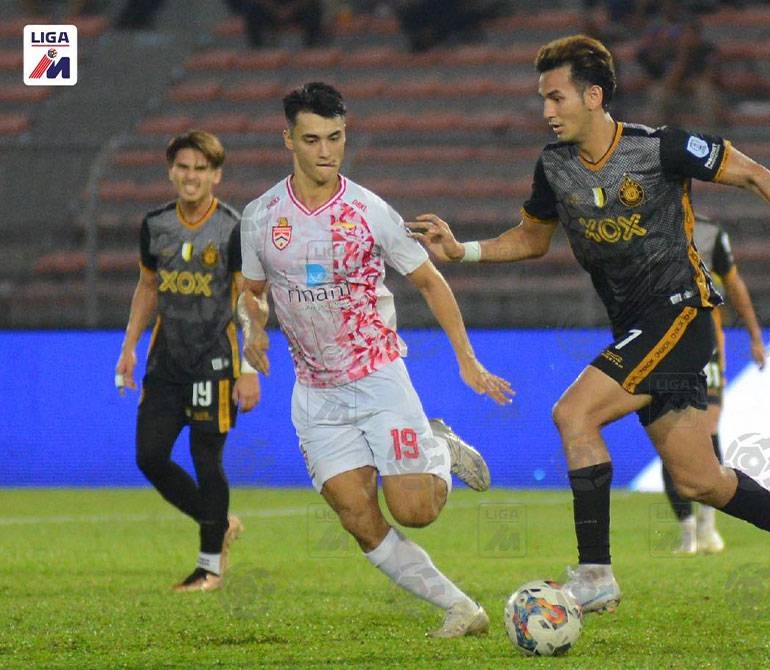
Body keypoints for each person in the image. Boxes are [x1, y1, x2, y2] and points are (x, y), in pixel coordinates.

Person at [408, 34, 770, 614]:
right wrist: (462, 252)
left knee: (573, 414)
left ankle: (595, 573)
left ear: (594, 95)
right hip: (637, 328)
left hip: (682, 312)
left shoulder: (660, 149)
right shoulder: (554, 167)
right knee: (700, 479)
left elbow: (755, 175)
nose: (546, 112)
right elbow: (531, 238)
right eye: (542, 100)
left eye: (556, 98)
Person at [237, 82, 514, 638]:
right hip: (315, 391)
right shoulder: (261, 217)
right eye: (312, 139)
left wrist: (466, 359)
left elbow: (429, 281)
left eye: (335, 138)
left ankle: (438, 445)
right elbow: (249, 290)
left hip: (377, 376)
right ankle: (461, 608)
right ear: (287, 139)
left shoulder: (369, 211)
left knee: (414, 509)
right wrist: (253, 334)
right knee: (358, 518)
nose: (325, 152)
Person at [115, 130, 259, 592]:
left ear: (216, 175)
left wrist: (249, 369)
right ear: (170, 171)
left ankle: (208, 567)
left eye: (201, 168)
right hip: (166, 362)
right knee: (150, 456)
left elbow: (247, 300)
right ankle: (220, 523)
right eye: (183, 167)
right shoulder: (155, 225)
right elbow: (148, 287)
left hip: (214, 362)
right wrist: (129, 347)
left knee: (206, 457)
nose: (190, 176)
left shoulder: (234, 228)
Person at [664, 214, 766, 555]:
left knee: (707, 427)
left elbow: (734, 284)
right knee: (669, 432)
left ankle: (708, 523)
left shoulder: (710, 233)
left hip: (706, 345)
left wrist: (754, 335)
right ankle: (688, 531)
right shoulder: (645, 226)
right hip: (661, 346)